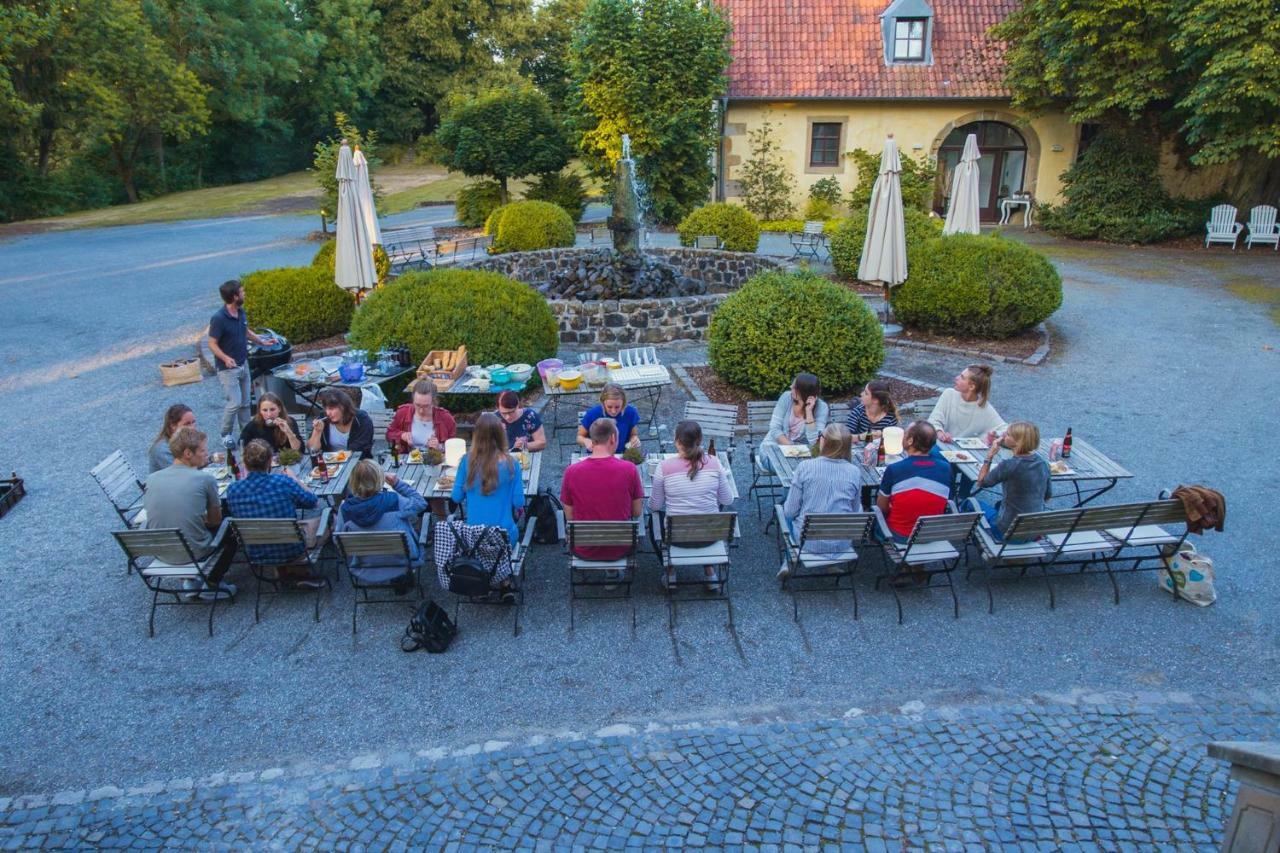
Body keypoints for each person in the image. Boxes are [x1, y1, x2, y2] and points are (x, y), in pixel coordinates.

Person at [143, 427, 236, 600]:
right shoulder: (205, 479)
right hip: (194, 552)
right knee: (231, 528)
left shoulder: (152, 479)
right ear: (187, 453)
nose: (206, 454)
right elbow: (216, 521)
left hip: (162, 552)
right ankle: (212, 583)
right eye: (202, 450)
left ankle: (190, 581)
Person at [225, 439, 323, 586]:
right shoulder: (283, 482)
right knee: (326, 519)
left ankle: (284, 571)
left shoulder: (233, 489)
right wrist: (295, 479)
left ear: (244, 463)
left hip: (256, 552)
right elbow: (312, 502)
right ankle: (298, 570)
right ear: (270, 461)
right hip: (291, 550)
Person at [649, 420, 734, 589]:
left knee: (653, 519)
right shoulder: (714, 462)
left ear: (677, 441)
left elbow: (655, 506)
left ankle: (671, 571)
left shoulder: (664, 467)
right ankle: (710, 572)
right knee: (713, 509)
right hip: (710, 537)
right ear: (700, 440)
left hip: (677, 539)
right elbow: (727, 500)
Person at [777, 423, 863, 580]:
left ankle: (789, 560)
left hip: (807, 543)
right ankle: (831, 564)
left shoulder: (805, 467)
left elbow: (790, 511)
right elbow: (855, 510)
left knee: (785, 511)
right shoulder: (855, 472)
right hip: (841, 544)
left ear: (824, 442)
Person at [336, 458, 428, 590]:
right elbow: (421, 503)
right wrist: (397, 483)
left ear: (353, 482)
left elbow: (338, 540)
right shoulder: (393, 500)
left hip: (363, 565)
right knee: (412, 522)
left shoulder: (344, 509)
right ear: (379, 479)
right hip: (402, 562)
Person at [560, 418, 644, 560]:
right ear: (612, 438)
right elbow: (636, 511)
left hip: (583, 548)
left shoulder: (571, 471)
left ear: (592, 439)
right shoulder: (629, 469)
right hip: (620, 547)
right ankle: (614, 574)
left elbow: (570, 516)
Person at [208, 279, 275, 440]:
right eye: (242, 292)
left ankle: (246, 435)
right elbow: (212, 343)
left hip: (243, 363)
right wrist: (225, 358)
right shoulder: (218, 318)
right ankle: (225, 434)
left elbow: (245, 330)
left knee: (245, 404)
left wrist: (262, 341)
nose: (245, 293)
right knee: (235, 403)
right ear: (235, 296)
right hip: (228, 369)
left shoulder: (240, 311)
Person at [970, 420, 1052, 542]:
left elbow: (981, 482)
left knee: (969, 503)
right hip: (1033, 532)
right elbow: (1047, 497)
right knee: (999, 504)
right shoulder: (1043, 464)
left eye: (1007, 434)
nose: (1003, 436)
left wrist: (990, 455)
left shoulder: (1009, 465)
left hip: (1007, 533)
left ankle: (980, 545)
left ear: (1018, 442)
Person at [451, 413, 524, 547]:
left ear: (476, 435)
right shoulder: (512, 463)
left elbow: (456, 497)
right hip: (503, 537)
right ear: (501, 435)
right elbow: (519, 502)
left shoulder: (466, 461)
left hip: (474, 538)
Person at [876, 421, 952, 548]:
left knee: (875, 518)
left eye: (905, 433)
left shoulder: (895, 469)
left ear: (910, 441)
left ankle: (908, 565)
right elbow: (945, 501)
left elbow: (881, 507)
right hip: (932, 536)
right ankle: (916, 565)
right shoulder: (946, 468)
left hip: (899, 537)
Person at [760, 372, 830, 472]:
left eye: (794, 387)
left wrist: (809, 412)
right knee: (791, 467)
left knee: (806, 468)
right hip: (773, 446)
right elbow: (775, 428)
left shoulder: (821, 408)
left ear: (803, 391)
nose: (790, 387)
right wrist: (792, 450)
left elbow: (814, 442)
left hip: (802, 452)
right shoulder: (786, 397)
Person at [928, 364, 1008, 443]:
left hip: (968, 454)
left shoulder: (984, 406)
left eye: (962, 377)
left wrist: (995, 434)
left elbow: (1005, 429)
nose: (956, 378)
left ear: (972, 387)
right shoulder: (949, 394)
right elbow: (934, 420)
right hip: (941, 447)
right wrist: (940, 433)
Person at [387, 381, 457, 453]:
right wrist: (402, 435)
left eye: (426, 406)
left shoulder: (446, 418)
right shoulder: (403, 412)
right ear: (413, 400)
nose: (421, 410)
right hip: (408, 459)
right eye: (417, 405)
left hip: (436, 460)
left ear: (433, 401)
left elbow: (454, 447)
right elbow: (389, 434)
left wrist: (440, 447)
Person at [307, 388, 375, 459]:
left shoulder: (362, 419)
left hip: (357, 462)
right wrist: (317, 432)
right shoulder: (323, 419)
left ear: (344, 406)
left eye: (331, 408)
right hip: (329, 463)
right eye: (326, 409)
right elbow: (312, 450)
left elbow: (360, 448)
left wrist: (336, 458)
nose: (328, 413)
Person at [577, 384, 641, 451]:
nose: (613, 411)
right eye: (609, 407)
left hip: (621, 454)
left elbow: (633, 434)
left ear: (624, 403)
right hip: (598, 455)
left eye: (617, 407)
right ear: (603, 402)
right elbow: (579, 437)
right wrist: (586, 441)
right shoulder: (593, 414)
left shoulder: (630, 412)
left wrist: (634, 439)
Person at [149, 404, 196, 473]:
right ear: (173, 426)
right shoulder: (162, 449)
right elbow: (181, 475)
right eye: (187, 424)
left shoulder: (184, 439)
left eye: (193, 422)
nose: (192, 428)